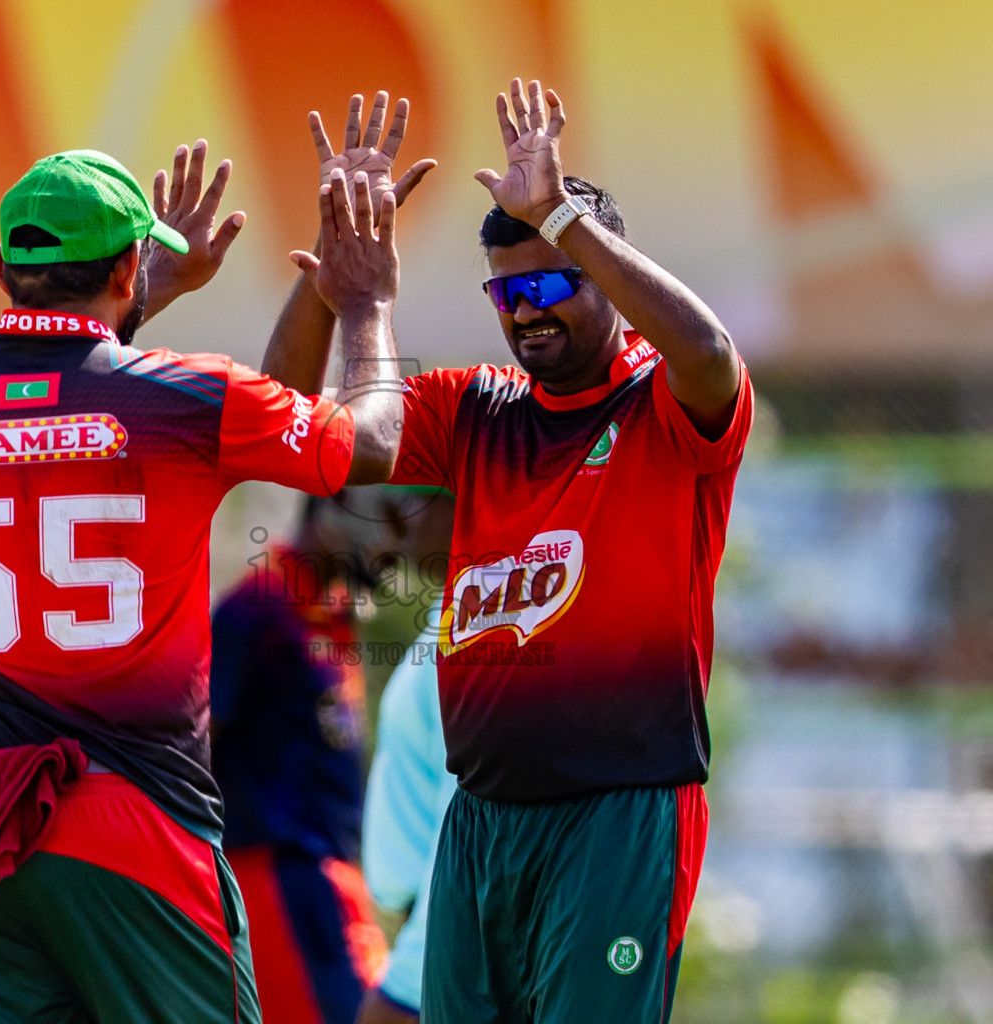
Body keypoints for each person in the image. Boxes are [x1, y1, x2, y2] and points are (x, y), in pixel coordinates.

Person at [0, 134, 405, 1024]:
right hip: (130, 818)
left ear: (0, 267)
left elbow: (55, 384)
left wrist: (138, 291)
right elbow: (371, 443)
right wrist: (363, 303)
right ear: (129, 266)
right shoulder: (183, 402)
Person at [270, 79, 752, 1023]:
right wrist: (350, 297)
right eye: (508, 293)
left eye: (549, 284)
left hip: (618, 811)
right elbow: (316, 436)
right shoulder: (475, 409)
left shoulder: (658, 401)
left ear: (599, 274)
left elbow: (711, 357)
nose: (527, 311)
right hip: (482, 817)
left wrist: (562, 215)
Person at [208, 494, 396, 1024]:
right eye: (380, 521)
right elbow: (199, 741)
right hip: (275, 876)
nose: (391, 544)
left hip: (332, 876)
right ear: (331, 512)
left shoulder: (334, 610)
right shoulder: (256, 611)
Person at [353, 489, 456, 1024]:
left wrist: (409, 980)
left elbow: (461, 812)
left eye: (409, 502)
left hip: (444, 935)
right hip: (427, 930)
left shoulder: (472, 630)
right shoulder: (447, 613)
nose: (395, 526)